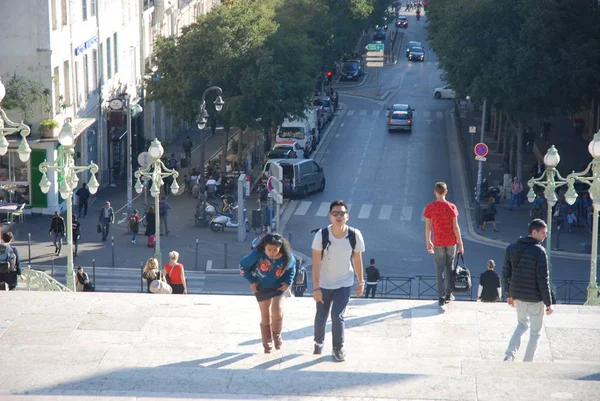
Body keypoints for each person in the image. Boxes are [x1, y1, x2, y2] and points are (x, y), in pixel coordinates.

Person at [312, 200, 366, 362]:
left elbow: (357, 259)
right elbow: (315, 263)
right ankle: (318, 343)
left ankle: (338, 348)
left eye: (342, 213)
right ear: (330, 217)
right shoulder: (321, 235)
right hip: (324, 283)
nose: (338, 216)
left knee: (337, 315)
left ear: (347, 216)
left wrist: (361, 281)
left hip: (344, 282)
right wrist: (316, 288)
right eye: (335, 214)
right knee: (321, 315)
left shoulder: (354, 235)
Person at [503, 219, 553, 362]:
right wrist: (549, 303)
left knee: (522, 325)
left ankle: (509, 355)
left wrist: (509, 294)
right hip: (535, 298)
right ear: (534, 232)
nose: (545, 235)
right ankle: (527, 362)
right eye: (543, 232)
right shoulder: (540, 252)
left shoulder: (512, 247)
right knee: (535, 333)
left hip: (518, 296)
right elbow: (543, 279)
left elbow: (505, 273)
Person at [240, 233, 296, 353]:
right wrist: (252, 281)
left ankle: (277, 334)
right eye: (269, 250)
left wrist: (288, 282)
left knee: (277, 310)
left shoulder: (287, 257)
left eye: (275, 250)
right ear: (264, 247)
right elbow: (242, 266)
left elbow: (292, 268)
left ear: (280, 248)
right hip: (262, 287)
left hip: (279, 287)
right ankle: (266, 340)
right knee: (265, 315)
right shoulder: (257, 254)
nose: (272, 253)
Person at [423, 182, 464, 306]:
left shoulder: (430, 207)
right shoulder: (451, 207)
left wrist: (428, 241)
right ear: (446, 192)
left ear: (435, 192)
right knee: (449, 267)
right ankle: (448, 293)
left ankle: (440, 296)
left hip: (438, 242)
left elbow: (428, 227)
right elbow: (456, 227)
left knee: (439, 268)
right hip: (451, 241)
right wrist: (461, 243)